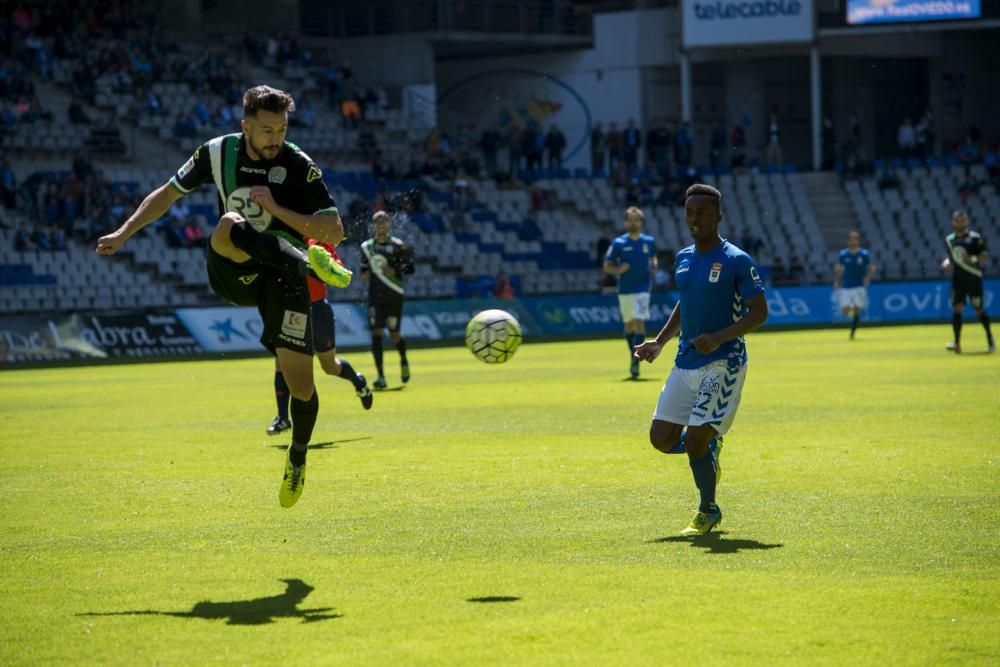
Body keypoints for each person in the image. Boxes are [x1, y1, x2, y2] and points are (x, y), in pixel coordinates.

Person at [95, 85, 352, 509]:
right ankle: (310, 265)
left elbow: (334, 231)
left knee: (302, 388)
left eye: (282, 129)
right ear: (245, 125)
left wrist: (278, 210)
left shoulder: (297, 163)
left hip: (281, 277)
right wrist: (124, 232)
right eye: (267, 130)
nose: (275, 138)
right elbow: (166, 194)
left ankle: (298, 459)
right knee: (229, 222)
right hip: (233, 267)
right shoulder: (215, 153)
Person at [634, 184, 768, 536]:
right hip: (685, 361)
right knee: (660, 439)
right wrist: (660, 341)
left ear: (718, 216)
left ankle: (708, 509)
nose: (694, 219)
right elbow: (686, 303)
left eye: (703, 213)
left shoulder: (737, 259)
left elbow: (759, 313)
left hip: (724, 362)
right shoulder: (683, 257)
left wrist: (720, 337)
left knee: (694, 440)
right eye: (689, 212)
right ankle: (709, 445)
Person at [268, 241, 373, 436]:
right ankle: (282, 418)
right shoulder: (282, 240)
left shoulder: (319, 244)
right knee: (281, 362)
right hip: (292, 309)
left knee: (329, 366)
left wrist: (323, 265)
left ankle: (358, 382)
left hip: (317, 310)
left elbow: (338, 273)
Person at [360, 210, 415, 390]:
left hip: (394, 295)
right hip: (375, 297)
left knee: (394, 334)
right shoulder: (367, 247)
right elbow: (363, 271)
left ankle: (404, 360)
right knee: (376, 332)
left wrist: (395, 271)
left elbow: (410, 268)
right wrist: (365, 275)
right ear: (373, 226)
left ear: (389, 224)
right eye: (378, 222)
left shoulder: (398, 246)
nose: (381, 225)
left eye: (384, 221)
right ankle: (380, 376)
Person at [603, 206, 657, 379]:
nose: (633, 222)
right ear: (626, 222)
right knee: (628, 325)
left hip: (642, 288)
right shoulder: (619, 243)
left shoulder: (649, 241)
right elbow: (607, 266)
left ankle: (636, 358)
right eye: (630, 220)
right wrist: (619, 270)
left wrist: (654, 265)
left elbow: (653, 257)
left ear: (641, 222)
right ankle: (633, 353)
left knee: (639, 322)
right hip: (625, 290)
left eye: (636, 219)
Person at [941, 210, 994, 353]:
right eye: (957, 220)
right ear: (953, 222)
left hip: (974, 278)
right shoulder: (949, 240)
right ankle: (957, 343)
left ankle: (990, 338)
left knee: (979, 309)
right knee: (957, 308)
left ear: (967, 221)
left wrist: (972, 259)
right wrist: (946, 263)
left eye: (962, 220)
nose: (960, 222)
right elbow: (951, 257)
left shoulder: (975, 238)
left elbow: (984, 255)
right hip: (958, 280)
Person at [833, 230, 875, 340]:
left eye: (855, 239)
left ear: (858, 241)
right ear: (848, 241)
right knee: (845, 311)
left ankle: (852, 333)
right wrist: (837, 281)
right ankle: (852, 306)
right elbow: (839, 268)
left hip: (859, 286)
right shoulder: (843, 254)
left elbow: (871, 268)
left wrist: (868, 278)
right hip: (846, 286)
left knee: (857, 310)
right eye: (851, 239)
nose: (853, 241)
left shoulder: (864, 254)